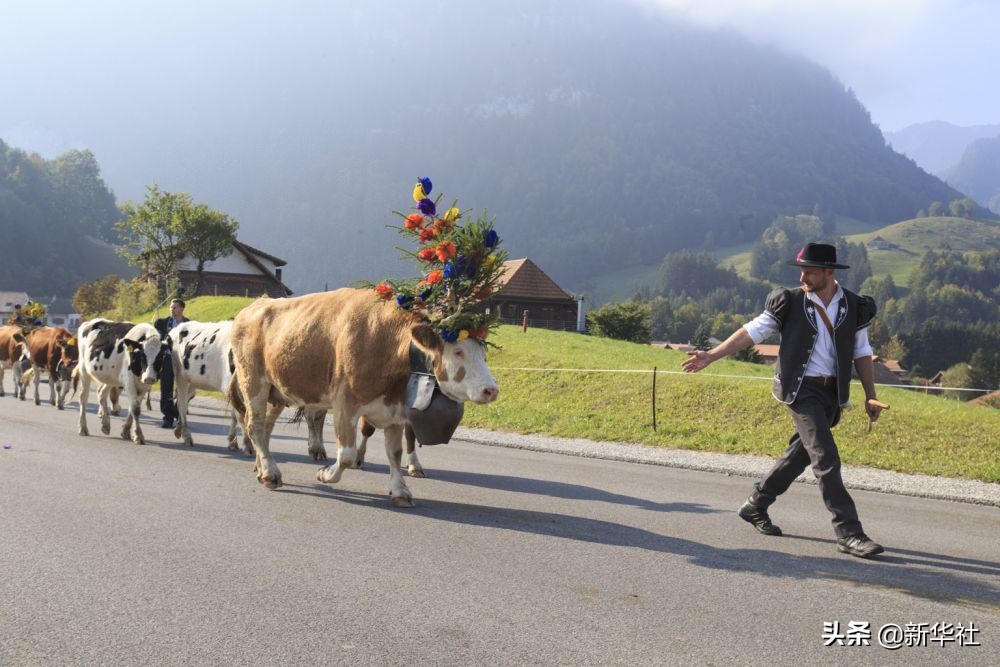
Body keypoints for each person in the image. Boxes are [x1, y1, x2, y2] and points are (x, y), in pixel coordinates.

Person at [681, 243, 885, 559]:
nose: (803, 276)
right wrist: (713, 354)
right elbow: (754, 332)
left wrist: (871, 396)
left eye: (810, 271)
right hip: (800, 390)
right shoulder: (788, 301)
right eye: (801, 270)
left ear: (829, 272)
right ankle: (849, 533)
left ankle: (756, 504)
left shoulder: (855, 306)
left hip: (832, 393)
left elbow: (861, 352)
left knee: (801, 454)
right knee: (825, 456)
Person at [154, 298, 188, 428]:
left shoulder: (189, 324)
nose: (172, 310)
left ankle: (178, 412)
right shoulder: (161, 323)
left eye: (175, 307)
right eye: (170, 307)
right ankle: (167, 417)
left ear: (181, 309)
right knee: (166, 388)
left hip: (183, 361)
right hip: (167, 359)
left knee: (185, 389)